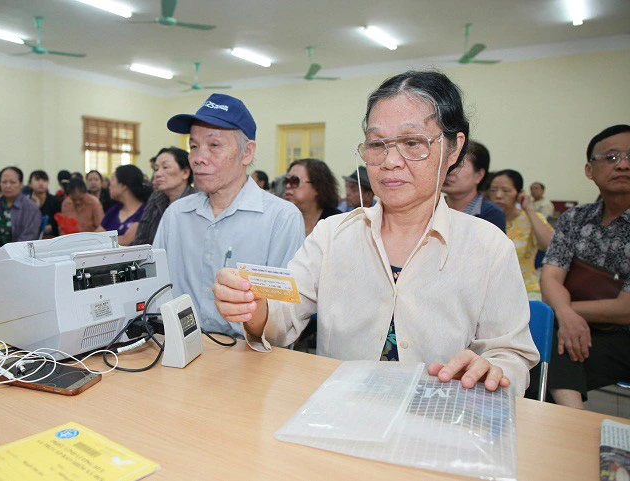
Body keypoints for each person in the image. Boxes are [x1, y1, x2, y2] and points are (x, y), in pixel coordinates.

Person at [212, 71, 538, 396]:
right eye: (377, 144)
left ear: (453, 150)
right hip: (339, 412)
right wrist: (254, 308)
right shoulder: (333, 235)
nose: (390, 161)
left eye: (412, 143)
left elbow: (511, 356)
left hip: (437, 421)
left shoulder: (488, 247)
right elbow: (281, 318)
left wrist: (493, 370)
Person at [155, 93, 305, 338]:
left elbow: (285, 317)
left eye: (214, 145)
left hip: (251, 355)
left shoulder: (280, 218)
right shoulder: (176, 215)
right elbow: (155, 293)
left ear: (247, 153)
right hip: (180, 348)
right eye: (193, 146)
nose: (198, 158)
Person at [536, 124, 630, 409]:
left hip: (624, 338)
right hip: (575, 331)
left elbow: (626, 310)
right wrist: (565, 315)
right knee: (535, 349)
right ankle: (573, 423)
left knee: (542, 366)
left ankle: (571, 421)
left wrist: (565, 313)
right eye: (612, 157)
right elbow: (550, 277)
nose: (623, 165)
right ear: (590, 170)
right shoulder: (574, 218)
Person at [489, 169, 553, 298]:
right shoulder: (485, 219)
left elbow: (549, 245)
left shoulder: (531, 219)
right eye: (493, 190)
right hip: (489, 291)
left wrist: (528, 209)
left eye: (506, 190)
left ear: (519, 194)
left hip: (525, 290)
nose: (498, 195)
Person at [131, 147, 197, 246]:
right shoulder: (156, 197)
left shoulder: (197, 201)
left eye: (165, 167)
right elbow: (141, 239)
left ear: (185, 173)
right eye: (156, 169)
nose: (157, 174)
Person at [442, 141, 506, 232]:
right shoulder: (431, 207)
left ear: (479, 175)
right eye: (448, 163)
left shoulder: (491, 214)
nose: (450, 171)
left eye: (459, 165)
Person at [284, 158, 341, 237]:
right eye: (286, 181)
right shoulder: (281, 219)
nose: (288, 185)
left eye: (294, 181)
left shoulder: (338, 223)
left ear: (317, 187)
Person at [0, 166, 42, 247]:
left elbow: (26, 241)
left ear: (21, 184)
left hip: (15, 255)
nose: (8, 186)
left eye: (12, 182)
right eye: (4, 182)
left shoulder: (31, 209)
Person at [97, 164, 149, 245]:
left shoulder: (145, 212)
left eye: (113, 180)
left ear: (124, 185)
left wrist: (102, 241)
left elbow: (126, 241)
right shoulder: (113, 211)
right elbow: (96, 238)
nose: (110, 186)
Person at [28, 169, 61, 236]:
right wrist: (36, 207)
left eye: (44, 180)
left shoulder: (55, 200)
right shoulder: (25, 202)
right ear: (30, 184)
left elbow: (59, 221)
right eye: (37, 180)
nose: (41, 183)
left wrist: (52, 227)